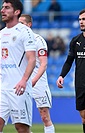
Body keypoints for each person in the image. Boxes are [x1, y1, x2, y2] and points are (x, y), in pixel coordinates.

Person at [0, 0, 36, 133]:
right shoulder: (1, 33)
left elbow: (32, 59)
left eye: (7, 8)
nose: (2, 10)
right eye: (2, 7)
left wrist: (24, 80)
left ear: (16, 12)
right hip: (2, 89)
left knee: (21, 128)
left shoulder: (24, 32)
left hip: (18, 88)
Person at [19, 14, 55, 133]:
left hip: (37, 82)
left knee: (44, 117)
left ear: (29, 25)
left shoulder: (38, 40)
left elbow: (44, 64)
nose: (20, 27)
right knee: (20, 120)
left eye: (22, 24)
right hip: (21, 82)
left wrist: (33, 81)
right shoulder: (15, 41)